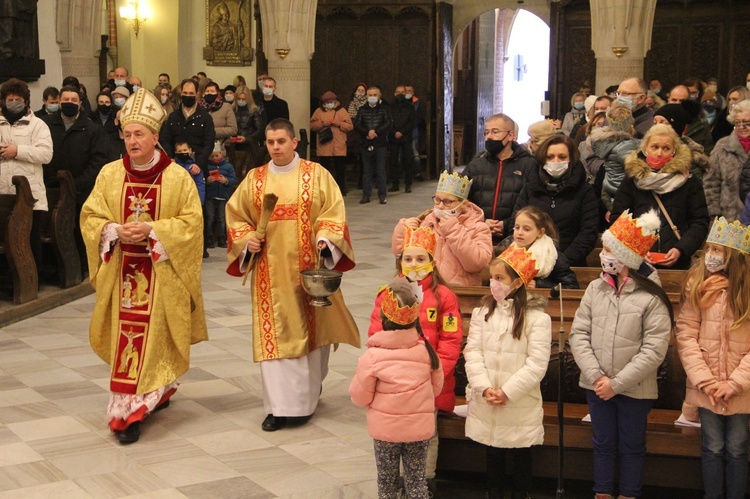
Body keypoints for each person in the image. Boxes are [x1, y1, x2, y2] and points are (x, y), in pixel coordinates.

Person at [80, 88, 208, 444]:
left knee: (158, 338)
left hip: (162, 272)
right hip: (121, 273)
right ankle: (128, 411)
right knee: (130, 343)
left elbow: (191, 223)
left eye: (139, 134)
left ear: (155, 137)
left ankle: (148, 397)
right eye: (127, 134)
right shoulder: (109, 175)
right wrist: (113, 230)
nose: (132, 140)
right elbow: (90, 215)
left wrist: (153, 230)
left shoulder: (176, 177)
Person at [225, 118, 360, 432]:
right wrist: (247, 240)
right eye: (271, 142)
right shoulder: (255, 179)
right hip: (268, 276)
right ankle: (280, 407)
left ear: (294, 142)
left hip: (309, 271)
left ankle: (306, 398)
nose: (275, 148)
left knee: (313, 336)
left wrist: (326, 240)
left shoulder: (316, 176)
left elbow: (333, 212)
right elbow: (236, 216)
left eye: (281, 142)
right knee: (276, 339)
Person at [569, 209, 673, 499]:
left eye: (608, 249)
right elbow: (579, 335)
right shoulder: (595, 288)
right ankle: (601, 493)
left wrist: (617, 383)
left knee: (631, 446)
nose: (602, 255)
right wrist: (597, 376)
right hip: (597, 384)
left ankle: (629, 493)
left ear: (626, 256)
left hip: (635, 389)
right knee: (602, 444)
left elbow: (653, 349)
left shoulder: (651, 296)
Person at [368, 226, 462, 493]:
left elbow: (451, 339)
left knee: (426, 434)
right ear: (400, 261)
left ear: (432, 260)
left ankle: (424, 481)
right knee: (392, 434)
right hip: (393, 381)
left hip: (429, 381)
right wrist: (389, 371)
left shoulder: (444, 295)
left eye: (421, 259)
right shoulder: (387, 293)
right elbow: (376, 332)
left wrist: (435, 373)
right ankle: (393, 482)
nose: (414, 264)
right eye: (408, 259)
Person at [464, 245, 552, 499]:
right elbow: (472, 352)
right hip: (488, 396)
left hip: (518, 400)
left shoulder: (537, 318)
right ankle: (493, 492)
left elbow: (537, 363)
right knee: (492, 451)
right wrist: (484, 387)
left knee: (521, 451)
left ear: (517, 282)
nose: (494, 283)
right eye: (492, 277)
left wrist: (507, 392)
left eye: (500, 278)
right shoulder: (483, 313)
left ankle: (521, 493)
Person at [676, 216, 750, 499]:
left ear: (734, 257)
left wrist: (733, 384)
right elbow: (686, 335)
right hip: (705, 386)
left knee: (737, 447)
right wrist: (705, 381)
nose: (711, 256)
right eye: (710, 249)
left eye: (718, 250)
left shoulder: (746, 290)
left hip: (739, 387)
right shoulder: (697, 285)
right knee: (712, 447)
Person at [351, 276, 443, 499]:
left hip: (386, 432)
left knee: (387, 483)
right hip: (419, 430)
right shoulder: (427, 351)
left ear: (383, 318)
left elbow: (359, 397)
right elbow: (436, 388)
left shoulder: (372, 356)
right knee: (417, 481)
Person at [613, 124, 709, 270]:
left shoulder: (689, 182)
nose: (659, 153)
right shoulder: (632, 180)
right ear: (646, 149)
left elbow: (699, 221)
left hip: (677, 262)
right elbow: (619, 218)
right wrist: (637, 248)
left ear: (674, 151)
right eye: (655, 147)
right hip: (638, 263)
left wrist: (681, 249)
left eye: (666, 148)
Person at [42, 84, 107, 274]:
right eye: (65, 100)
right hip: (52, 188)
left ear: (80, 103)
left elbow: (98, 161)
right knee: (53, 228)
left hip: (81, 190)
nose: (69, 103)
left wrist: (76, 184)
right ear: (59, 102)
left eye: (73, 100)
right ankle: (52, 268)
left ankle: (83, 266)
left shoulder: (92, 129)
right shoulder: (46, 125)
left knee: (79, 230)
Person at [392, 171, 492, 286]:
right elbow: (401, 255)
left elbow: (476, 263)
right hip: (426, 290)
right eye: (437, 200)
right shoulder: (427, 222)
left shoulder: (478, 227)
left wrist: (454, 230)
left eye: (447, 202)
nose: (440, 205)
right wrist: (404, 231)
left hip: (460, 292)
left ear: (464, 204)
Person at [513, 134, 598, 267]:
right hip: (531, 263)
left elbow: (588, 233)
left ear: (571, 159)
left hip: (571, 264)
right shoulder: (530, 188)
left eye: (562, 157)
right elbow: (516, 223)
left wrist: (561, 262)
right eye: (550, 157)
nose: (556, 161)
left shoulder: (584, 191)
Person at [0, 78, 53, 271]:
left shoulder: (37, 125)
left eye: (18, 99)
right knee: (6, 240)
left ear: (26, 101)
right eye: (10, 99)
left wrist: (18, 151)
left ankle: (32, 280)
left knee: (29, 241)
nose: (14, 102)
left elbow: (46, 154)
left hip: (29, 195)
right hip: (3, 194)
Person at [463, 113, 537, 243]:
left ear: (511, 135)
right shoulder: (475, 165)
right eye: (486, 132)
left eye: (495, 132)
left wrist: (508, 224)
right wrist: (481, 222)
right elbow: (462, 202)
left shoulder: (529, 165)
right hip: (478, 235)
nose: (489, 137)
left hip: (515, 236)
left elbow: (533, 202)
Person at [589, 102, 640, 221]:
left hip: (608, 188)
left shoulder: (606, 143)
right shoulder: (625, 147)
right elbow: (634, 168)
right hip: (622, 191)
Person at [509, 205, 578, 289]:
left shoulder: (554, 256)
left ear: (540, 232)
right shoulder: (507, 250)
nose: (519, 232)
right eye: (517, 227)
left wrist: (539, 284)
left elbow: (571, 287)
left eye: (526, 229)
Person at [159, 78, 216, 175]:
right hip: (175, 166)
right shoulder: (173, 116)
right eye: (185, 93)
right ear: (181, 93)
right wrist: (170, 158)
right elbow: (165, 139)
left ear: (197, 94)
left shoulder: (205, 117)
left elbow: (209, 143)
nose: (188, 96)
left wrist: (199, 163)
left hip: (198, 167)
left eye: (191, 93)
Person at [710, 100, 750, 221]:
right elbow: (711, 182)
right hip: (728, 220)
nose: (741, 127)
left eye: (747, 123)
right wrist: (714, 214)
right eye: (737, 123)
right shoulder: (722, 146)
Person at [354, 85, 392, 205]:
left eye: (374, 95)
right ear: (366, 96)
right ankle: (366, 195)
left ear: (379, 96)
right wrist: (367, 132)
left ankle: (382, 195)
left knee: (381, 170)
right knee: (367, 171)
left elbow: (388, 123)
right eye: (370, 95)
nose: (372, 97)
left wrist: (376, 132)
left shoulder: (384, 109)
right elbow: (357, 124)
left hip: (380, 143)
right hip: (366, 143)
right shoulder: (362, 110)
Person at [310, 90, 353, 195]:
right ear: (323, 103)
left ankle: (341, 189)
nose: (329, 104)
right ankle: (325, 190)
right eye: (327, 102)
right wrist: (323, 123)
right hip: (324, 145)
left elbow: (349, 126)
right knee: (325, 170)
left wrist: (337, 123)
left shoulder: (342, 111)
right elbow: (312, 125)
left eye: (331, 102)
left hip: (339, 145)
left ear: (335, 101)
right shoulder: (318, 112)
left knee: (340, 169)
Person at [653, 103, 711, 180]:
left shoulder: (691, 158)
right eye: (654, 122)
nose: (657, 126)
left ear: (675, 126)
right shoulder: (645, 150)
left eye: (662, 122)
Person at [205, 143, 236, 249]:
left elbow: (234, 180)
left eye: (216, 156)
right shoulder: (207, 166)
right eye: (211, 156)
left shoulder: (228, 166)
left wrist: (226, 180)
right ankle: (209, 238)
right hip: (210, 196)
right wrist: (207, 181)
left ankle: (221, 238)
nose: (214, 158)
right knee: (210, 217)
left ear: (221, 154)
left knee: (221, 218)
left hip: (223, 196)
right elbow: (201, 180)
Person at [231, 85, 265, 178]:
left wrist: (246, 138)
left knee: (248, 172)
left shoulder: (254, 111)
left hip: (249, 146)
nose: (241, 101)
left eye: (243, 99)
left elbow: (259, 130)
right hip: (233, 146)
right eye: (239, 98)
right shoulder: (231, 110)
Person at [388, 85, 416, 193]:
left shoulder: (410, 107)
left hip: (406, 137)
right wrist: (394, 132)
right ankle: (395, 184)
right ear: (394, 93)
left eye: (402, 92)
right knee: (393, 161)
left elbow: (412, 122)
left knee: (408, 161)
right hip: (393, 136)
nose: (400, 94)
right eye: (397, 92)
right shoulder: (390, 106)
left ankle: (408, 184)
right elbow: (388, 121)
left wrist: (402, 132)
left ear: (405, 94)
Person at [173, 140, 205, 204]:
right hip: (176, 199)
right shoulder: (173, 166)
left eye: (185, 150)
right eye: (179, 151)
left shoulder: (195, 166)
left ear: (190, 150)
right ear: (176, 152)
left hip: (191, 199)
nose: (183, 152)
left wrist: (200, 202)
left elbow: (200, 185)